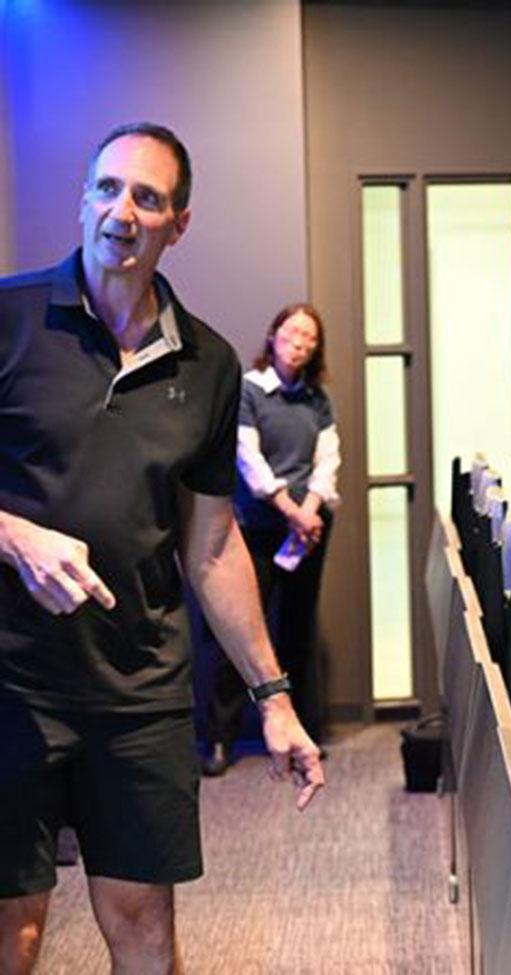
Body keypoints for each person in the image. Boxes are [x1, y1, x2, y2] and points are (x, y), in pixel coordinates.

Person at [0, 122, 323, 973]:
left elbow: (213, 547)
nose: (122, 211)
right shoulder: (9, 317)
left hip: (138, 690)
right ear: (82, 199)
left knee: (143, 929)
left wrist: (274, 696)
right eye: (108, 189)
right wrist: (13, 534)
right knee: (14, 932)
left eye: (148, 197)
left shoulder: (211, 364)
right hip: (10, 682)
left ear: (179, 223)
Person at [202, 303, 341, 776]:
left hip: (309, 525)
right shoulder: (249, 389)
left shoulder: (318, 399)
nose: (299, 343)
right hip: (259, 525)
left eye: (309, 337)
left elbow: (327, 461)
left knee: (298, 630)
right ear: (273, 335)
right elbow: (248, 459)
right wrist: (288, 508)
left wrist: (309, 511)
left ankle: (305, 734)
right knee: (239, 629)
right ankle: (219, 740)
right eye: (292, 333)